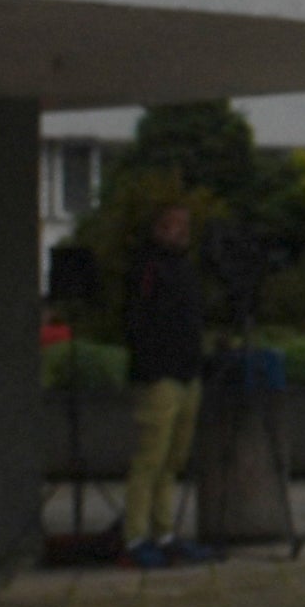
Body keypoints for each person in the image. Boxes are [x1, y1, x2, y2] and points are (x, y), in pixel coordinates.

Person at [117, 196, 212, 570]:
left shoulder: (184, 268)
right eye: (175, 225)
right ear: (158, 228)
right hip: (160, 375)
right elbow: (136, 319)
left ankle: (164, 531)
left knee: (173, 458)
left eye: (186, 225)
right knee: (150, 458)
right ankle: (136, 535)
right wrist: (152, 363)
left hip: (187, 372)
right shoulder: (148, 267)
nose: (183, 232)